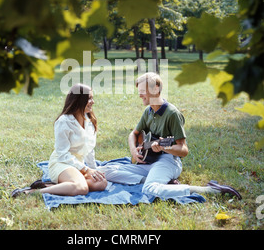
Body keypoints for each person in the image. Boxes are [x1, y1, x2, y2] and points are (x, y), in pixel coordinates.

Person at [98, 72, 242, 200]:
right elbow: (133, 134)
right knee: (103, 171)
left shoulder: (172, 114)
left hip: (168, 161)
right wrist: (133, 150)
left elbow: (183, 150)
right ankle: (161, 182)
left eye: (143, 91)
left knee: (149, 189)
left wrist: (164, 148)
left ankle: (211, 190)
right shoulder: (148, 111)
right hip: (150, 162)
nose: (139, 94)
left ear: (155, 89)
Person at [11, 83, 107, 197]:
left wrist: (93, 170)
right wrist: (86, 170)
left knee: (101, 183)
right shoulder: (64, 122)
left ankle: (51, 186)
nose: (93, 101)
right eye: (89, 98)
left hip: (78, 166)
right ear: (78, 100)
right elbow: (62, 154)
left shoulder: (90, 121)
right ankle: (30, 192)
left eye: (92, 98)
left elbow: (89, 149)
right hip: (62, 163)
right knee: (82, 188)